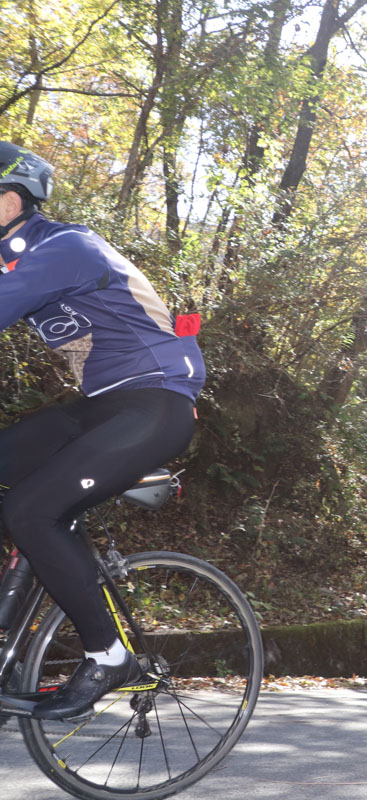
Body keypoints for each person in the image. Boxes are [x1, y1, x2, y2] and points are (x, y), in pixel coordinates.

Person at [0, 143, 205, 720]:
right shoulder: (15, 256)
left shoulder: (69, 247)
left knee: (31, 510)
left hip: (157, 403)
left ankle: (108, 653)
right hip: (99, 407)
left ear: (11, 200)